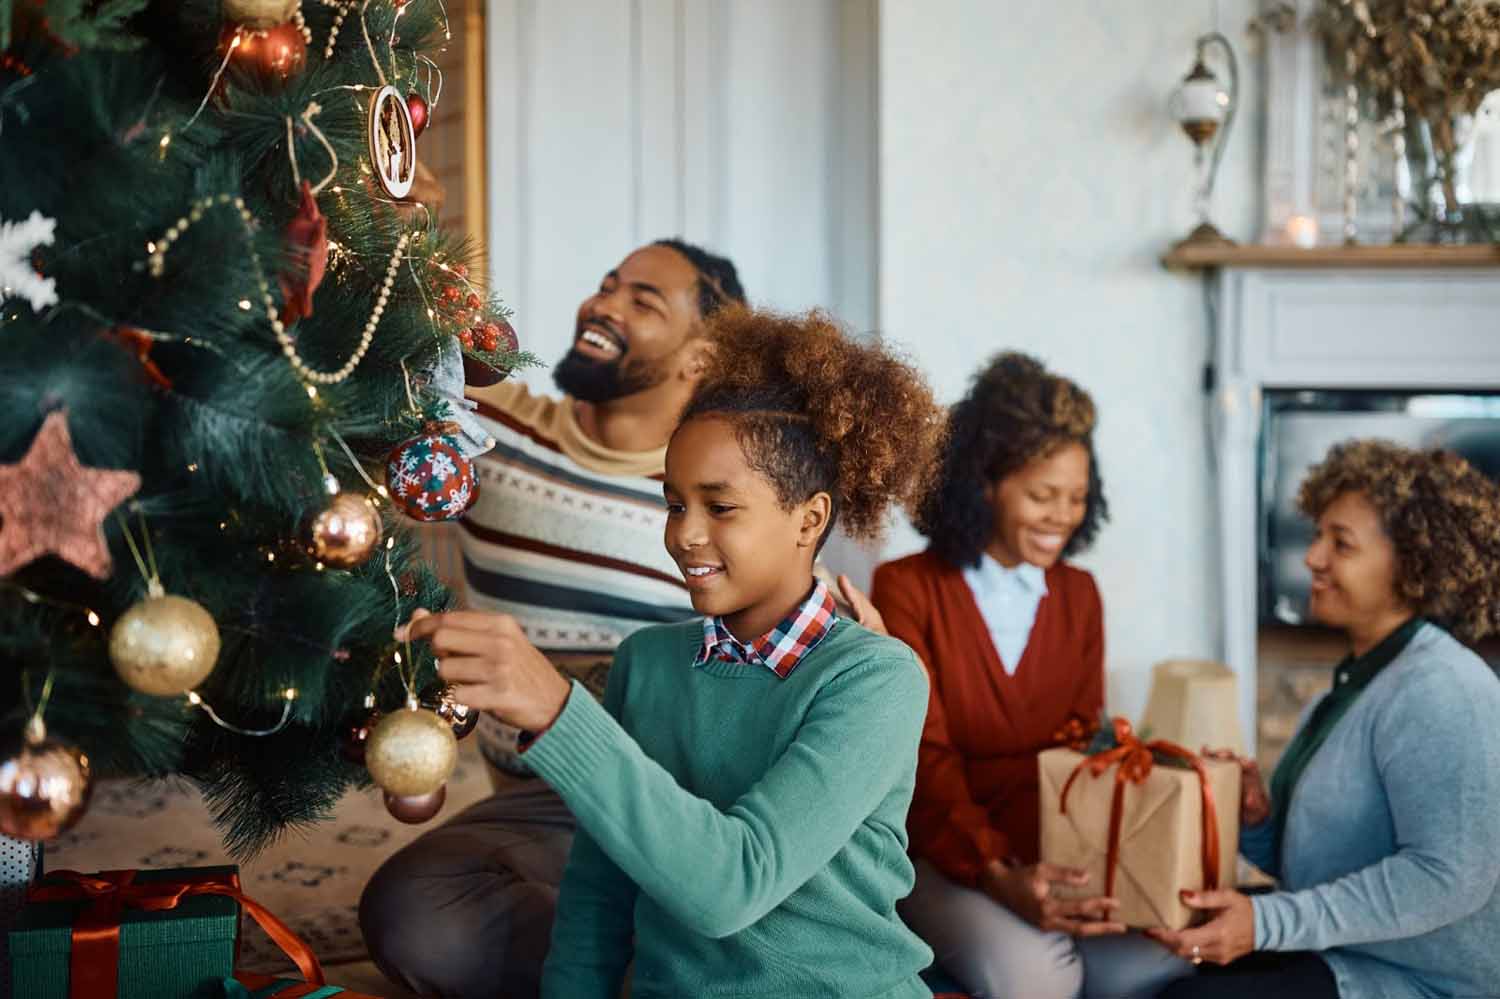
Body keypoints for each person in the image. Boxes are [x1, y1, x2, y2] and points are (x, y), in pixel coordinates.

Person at [359, 242, 883, 998]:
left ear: (702, 356)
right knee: (417, 911)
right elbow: (386, 373)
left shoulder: (760, 516)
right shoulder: (491, 441)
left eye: (644, 300)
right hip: (545, 804)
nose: (605, 304)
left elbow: (835, 676)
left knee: (736, 891)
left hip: (702, 804)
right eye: (608, 286)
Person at [871, 353, 1189, 999]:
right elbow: (923, 762)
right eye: (1043, 495)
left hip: (1055, 854)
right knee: (1039, 978)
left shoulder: (1079, 593)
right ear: (985, 483)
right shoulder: (906, 587)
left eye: (1076, 497)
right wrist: (997, 873)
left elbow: (1084, 751)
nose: (1062, 516)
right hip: (946, 857)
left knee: (1156, 961)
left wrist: (1098, 868)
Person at [1151, 439, 1500, 999]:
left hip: (1419, 981)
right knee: (1160, 957)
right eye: (1318, 536)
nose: (1313, 557)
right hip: (1347, 951)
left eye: (1341, 543)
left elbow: (1447, 879)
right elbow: (1313, 872)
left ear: (1412, 564)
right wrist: (1259, 820)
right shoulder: (1348, 689)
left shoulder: (1444, 689)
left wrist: (1265, 925)